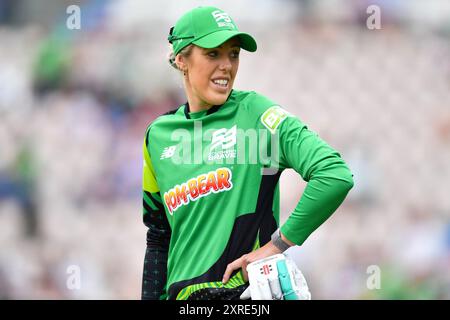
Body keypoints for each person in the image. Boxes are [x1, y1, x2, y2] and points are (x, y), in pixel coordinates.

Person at [141, 6, 354, 300]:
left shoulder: (257, 114)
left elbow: (334, 175)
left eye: (234, 53)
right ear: (181, 60)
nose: (227, 65)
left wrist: (276, 245)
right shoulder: (158, 136)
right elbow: (158, 237)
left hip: (241, 295)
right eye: (213, 53)